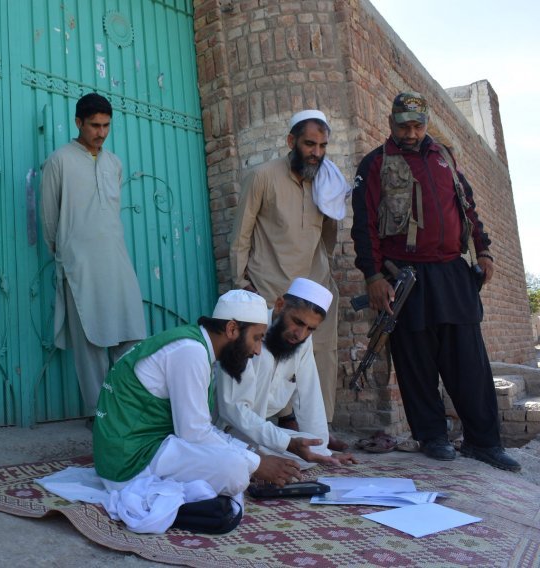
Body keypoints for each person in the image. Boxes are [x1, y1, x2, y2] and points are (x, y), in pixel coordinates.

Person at [351, 91, 520, 472]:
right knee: (416, 361)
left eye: (417, 125)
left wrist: (485, 251)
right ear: (391, 124)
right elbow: (364, 227)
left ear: (425, 123)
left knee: (470, 364)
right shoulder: (375, 164)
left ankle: (484, 442)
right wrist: (374, 276)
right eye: (403, 126)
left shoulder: (444, 156)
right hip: (405, 277)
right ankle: (433, 437)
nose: (411, 133)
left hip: (453, 273)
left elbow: (468, 206)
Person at [71, 290, 303, 533]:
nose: (257, 351)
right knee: (234, 471)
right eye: (256, 338)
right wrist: (255, 464)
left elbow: (199, 428)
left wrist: (250, 455)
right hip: (130, 462)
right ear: (232, 329)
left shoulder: (193, 345)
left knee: (238, 461)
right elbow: (193, 434)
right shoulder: (190, 352)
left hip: (136, 448)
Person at [229, 109, 349, 451]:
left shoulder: (326, 182)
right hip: (270, 284)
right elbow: (241, 234)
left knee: (320, 352)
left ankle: (319, 428)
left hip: (314, 285)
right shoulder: (262, 176)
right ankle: (269, 422)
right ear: (291, 142)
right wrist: (240, 281)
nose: (317, 153)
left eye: (323, 146)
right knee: (267, 355)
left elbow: (328, 235)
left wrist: (324, 277)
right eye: (310, 144)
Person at [41, 92, 146, 416]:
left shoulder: (114, 164)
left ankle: (128, 409)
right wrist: (66, 252)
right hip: (79, 263)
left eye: (106, 126)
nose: (100, 132)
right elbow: (48, 217)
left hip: (116, 259)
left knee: (129, 333)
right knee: (89, 340)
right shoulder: (59, 160)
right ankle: (97, 413)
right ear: (78, 123)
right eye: (94, 125)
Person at [216, 278, 357, 469]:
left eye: (310, 329)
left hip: (260, 434)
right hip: (225, 430)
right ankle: (252, 462)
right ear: (280, 305)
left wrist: (323, 451)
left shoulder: (302, 342)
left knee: (312, 448)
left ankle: (257, 461)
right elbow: (232, 409)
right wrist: (286, 443)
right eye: (298, 322)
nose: (301, 334)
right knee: (248, 452)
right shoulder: (247, 332)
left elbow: (309, 394)